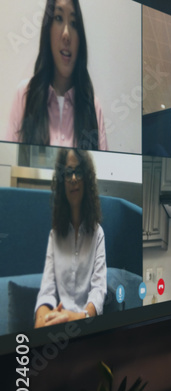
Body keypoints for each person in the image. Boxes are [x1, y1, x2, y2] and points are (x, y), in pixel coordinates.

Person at [6, 0, 107, 150]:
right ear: (48, 29)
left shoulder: (92, 106)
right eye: (58, 18)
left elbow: (100, 172)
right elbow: (9, 169)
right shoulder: (25, 96)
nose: (66, 34)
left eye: (73, 23)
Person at [34, 148, 106, 327]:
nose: (73, 179)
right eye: (68, 173)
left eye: (78, 172)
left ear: (86, 178)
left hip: (86, 326)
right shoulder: (54, 235)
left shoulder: (98, 234)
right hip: (58, 323)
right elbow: (47, 289)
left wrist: (79, 317)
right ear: (62, 181)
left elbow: (98, 290)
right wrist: (41, 320)